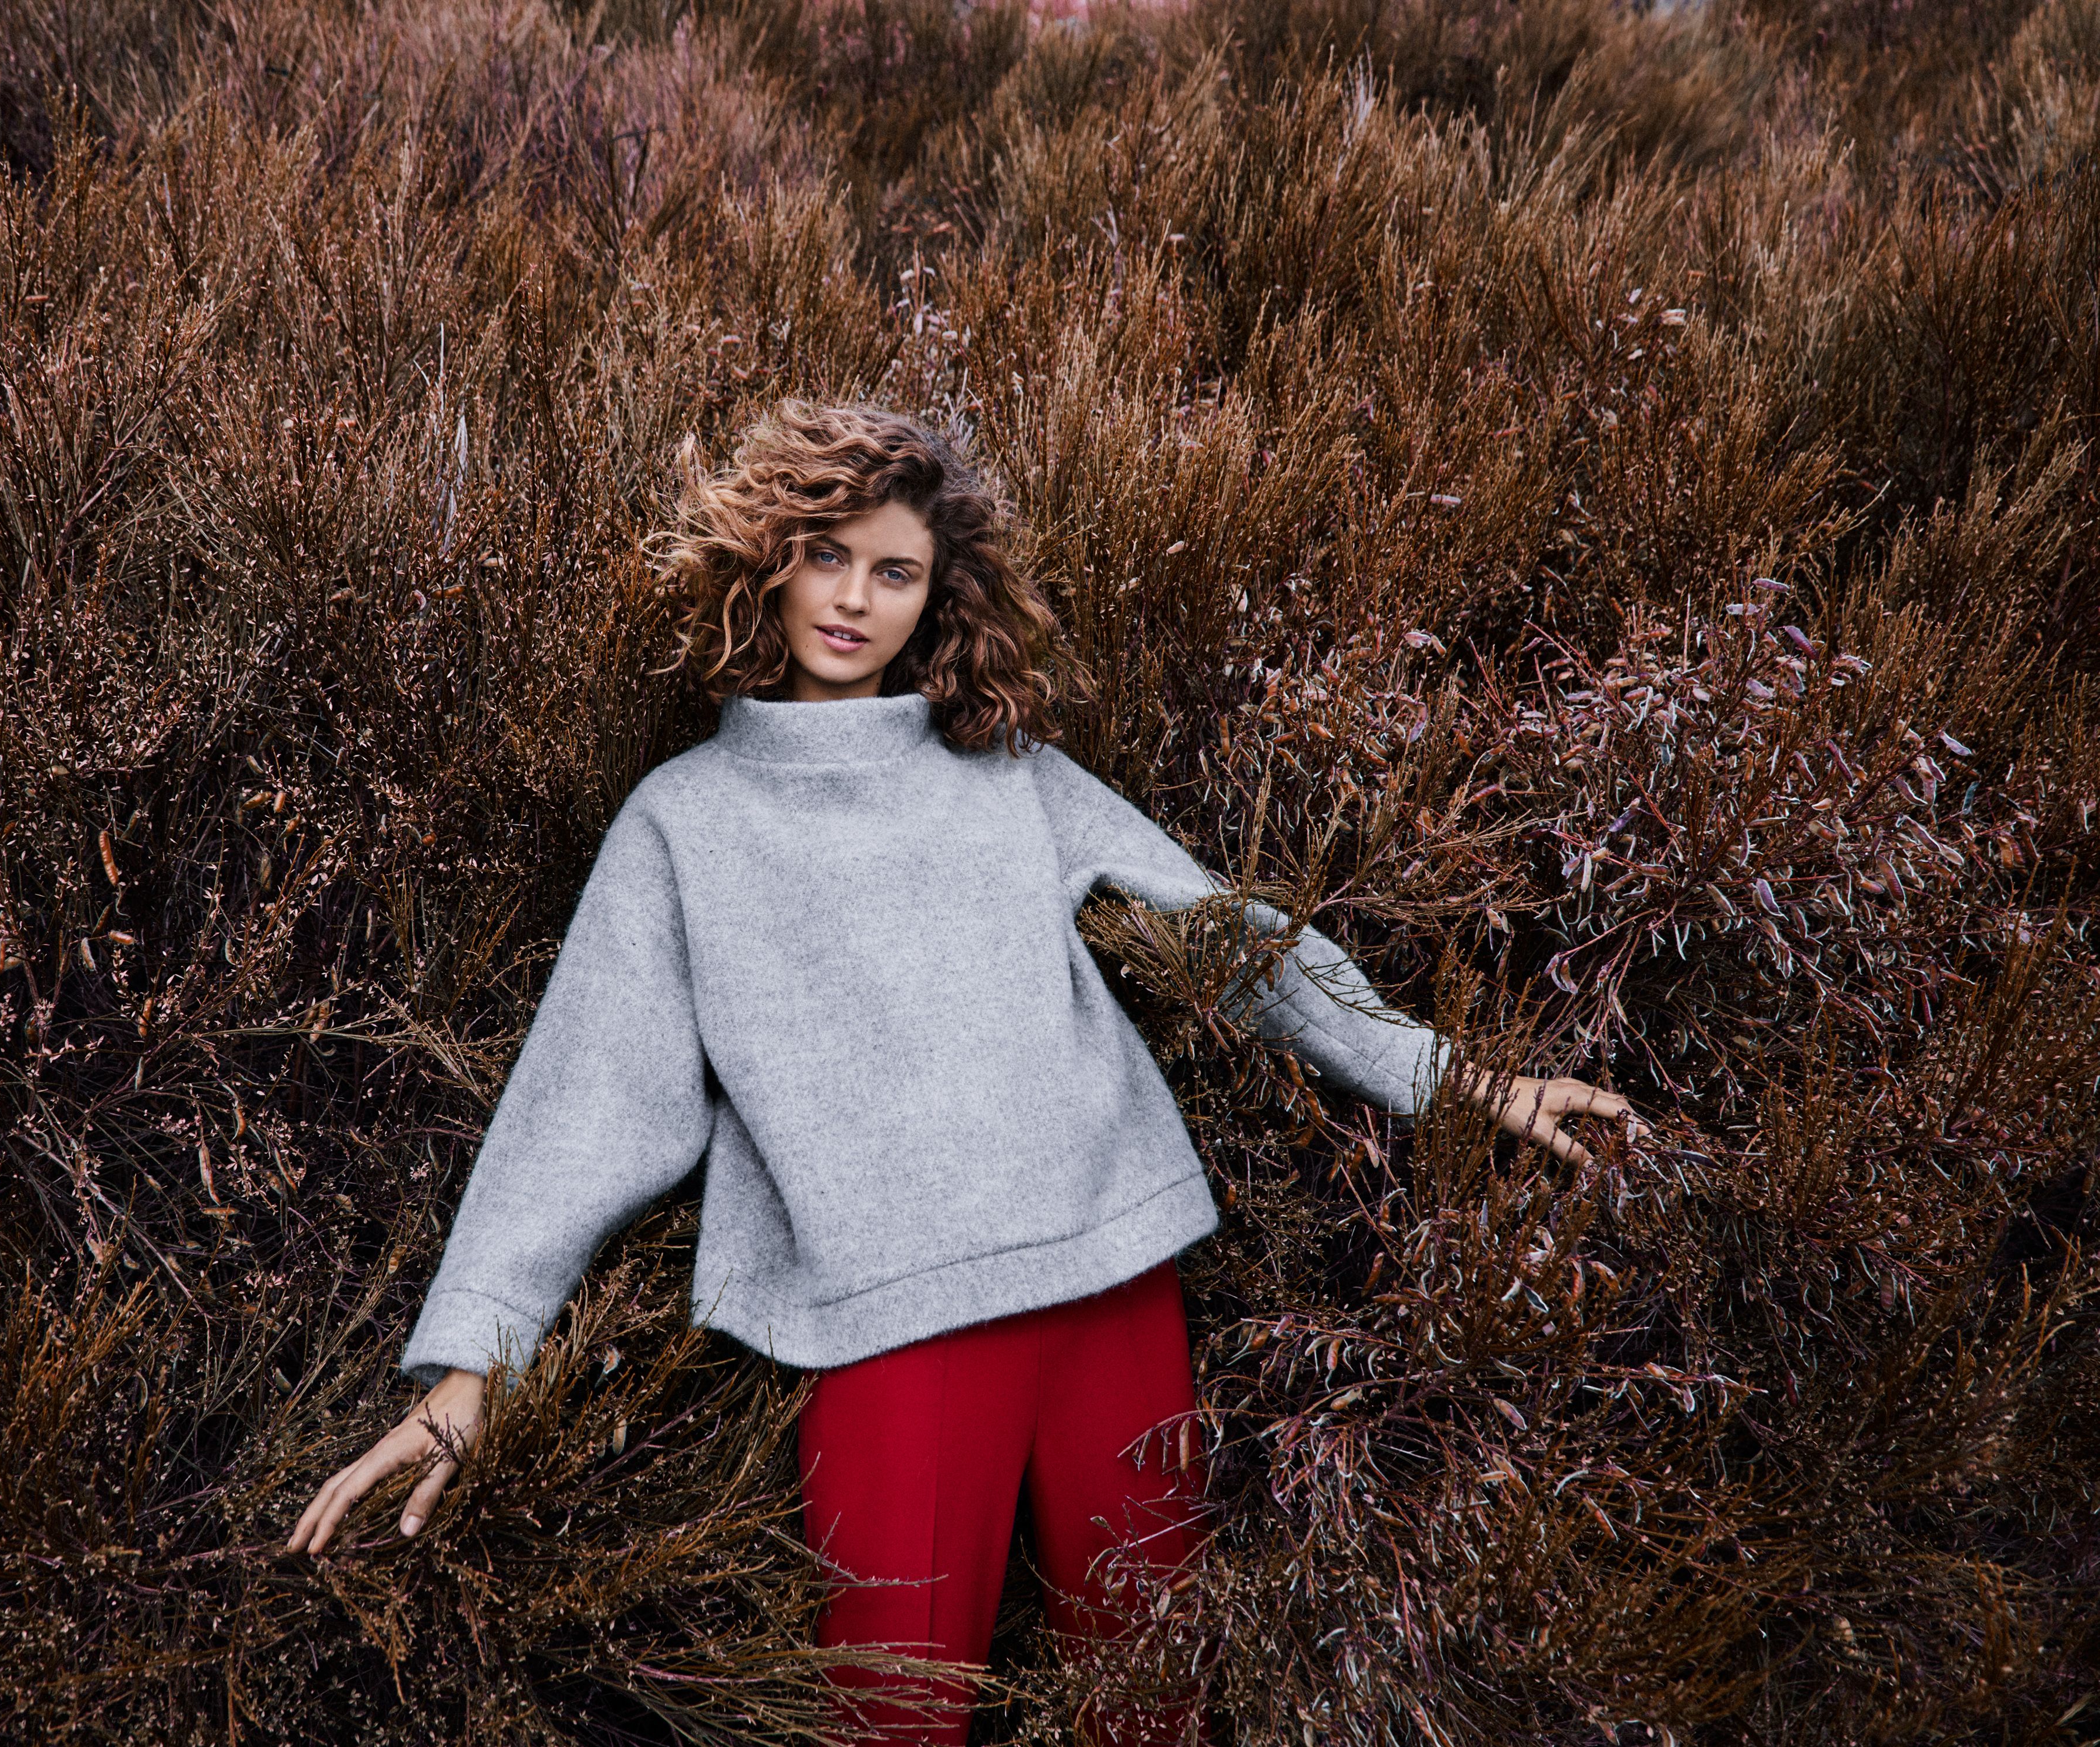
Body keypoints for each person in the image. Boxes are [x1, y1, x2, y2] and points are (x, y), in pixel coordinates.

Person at [285, 400, 1632, 1744]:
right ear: (770, 561)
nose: (852, 600)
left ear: (937, 596)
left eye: (895, 572)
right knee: (893, 1717)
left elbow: (1232, 942)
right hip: (888, 1327)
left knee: (1153, 1706)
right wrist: (473, 1365)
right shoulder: (684, 821)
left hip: (1110, 1280)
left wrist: (1457, 1080)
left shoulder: (1009, 775)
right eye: (827, 556)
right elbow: (592, 1099)